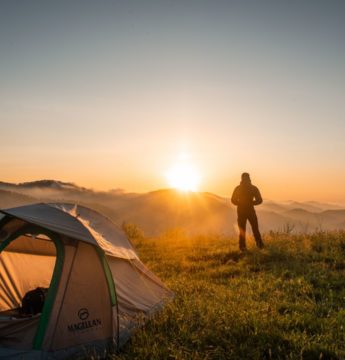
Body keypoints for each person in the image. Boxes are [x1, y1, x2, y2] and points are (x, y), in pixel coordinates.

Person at [231, 172, 264, 251]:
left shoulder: (238, 188)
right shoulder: (253, 188)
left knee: (242, 230)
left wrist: (240, 203)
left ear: (241, 178)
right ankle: (260, 245)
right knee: (255, 228)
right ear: (249, 178)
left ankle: (242, 247)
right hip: (250, 211)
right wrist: (252, 203)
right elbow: (260, 200)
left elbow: (233, 200)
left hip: (241, 211)